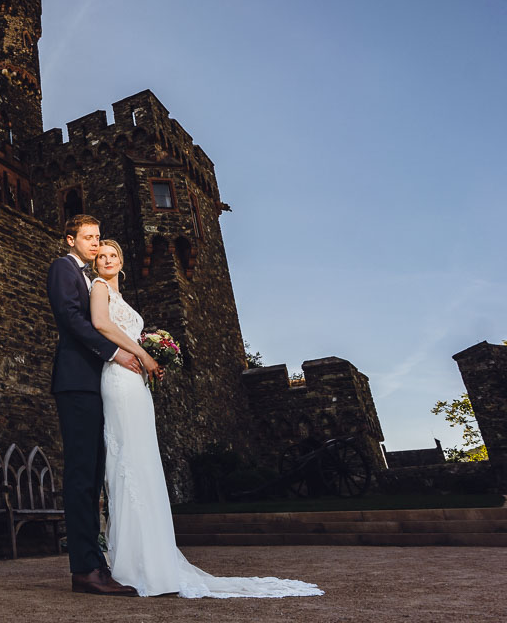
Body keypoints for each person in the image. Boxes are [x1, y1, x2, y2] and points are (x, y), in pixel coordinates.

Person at [90, 239, 324, 598]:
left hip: (136, 382)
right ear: (96, 264)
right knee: (128, 462)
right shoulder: (99, 287)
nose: (107, 260)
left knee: (144, 461)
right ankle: (132, 564)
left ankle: (155, 559)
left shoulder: (121, 295)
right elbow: (100, 324)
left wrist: (153, 356)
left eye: (113, 256)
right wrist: (144, 354)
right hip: (119, 378)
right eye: (101, 256)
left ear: (121, 262)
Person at [45, 215, 153, 596]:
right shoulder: (63, 269)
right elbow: (71, 319)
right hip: (75, 382)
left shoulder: (90, 279)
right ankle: (85, 569)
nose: (94, 243)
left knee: (92, 477)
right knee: (80, 476)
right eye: (88, 237)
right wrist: (114, 352)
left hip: (94, 385)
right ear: (70, 240)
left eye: (97, 237)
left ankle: (96, 564)